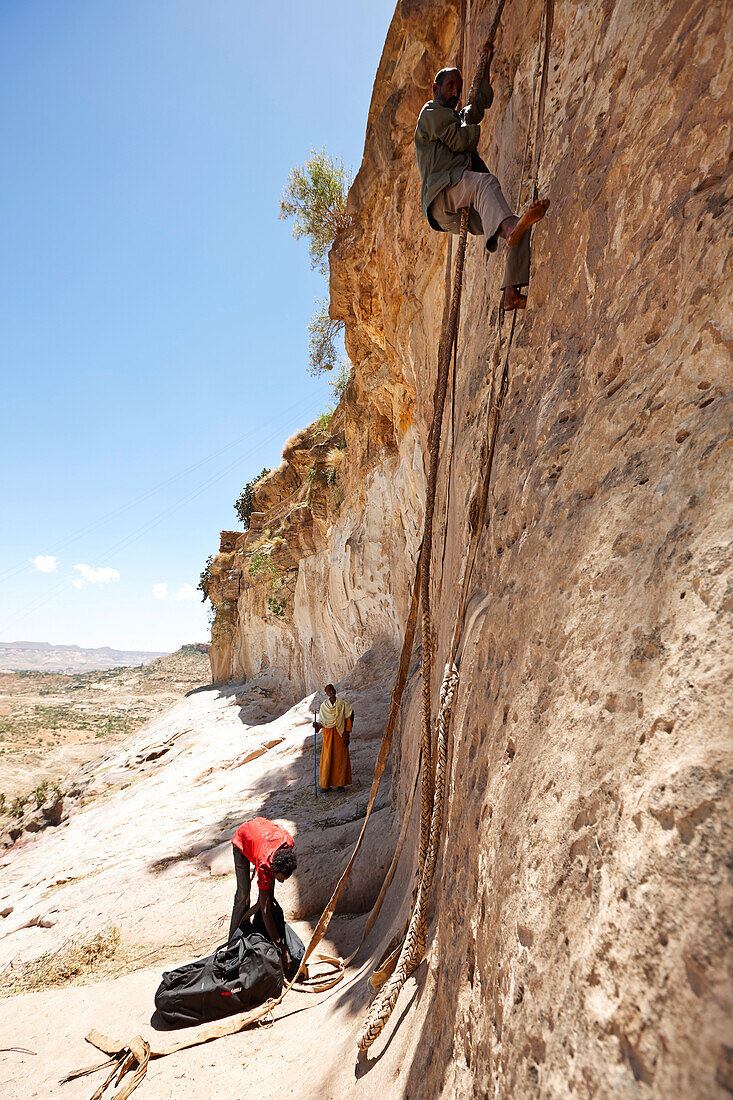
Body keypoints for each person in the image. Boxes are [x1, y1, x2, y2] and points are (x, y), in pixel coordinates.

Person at [414, 47, 549, 310]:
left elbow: (476, 106)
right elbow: (459, 138)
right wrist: (469, 123)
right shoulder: (430, 112)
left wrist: (484, 66)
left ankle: (511, 292)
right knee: (486, 184)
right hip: (443, 194)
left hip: (459, 196)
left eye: (458, 88)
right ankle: (511, 229)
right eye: (450, 86)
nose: (455, 92)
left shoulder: (455, 116)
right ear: (435, 88)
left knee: (513, 222)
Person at [229, 816, 297, 967]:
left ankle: (259, 932)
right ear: (273, 870)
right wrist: (279, 944)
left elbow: (265, 901)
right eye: (280, 878)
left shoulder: (288, 843)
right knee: (243, 896)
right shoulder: (265, 864)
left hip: (260, 832)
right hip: (243, 839)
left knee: (268, 895)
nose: (282, 882)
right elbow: (265, 908)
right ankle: (232, 945)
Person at [313, 682, 354, 792]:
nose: (332, 692)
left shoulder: (342, 705)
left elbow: (348, 719)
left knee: (340, 759)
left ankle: (340, 784)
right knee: (327, 759)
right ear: (326, 693)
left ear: (335, 690)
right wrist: (317, 725)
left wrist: (347, 735)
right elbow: (322, 722)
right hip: (328, 736)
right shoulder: (323, 707)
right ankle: (326, 785)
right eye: (329, 691)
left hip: (340, 735)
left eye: (333, 689)